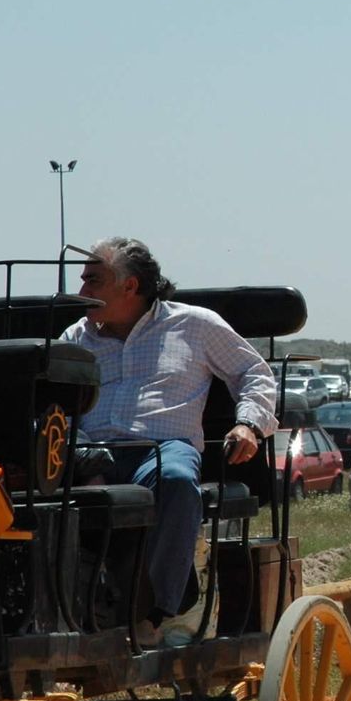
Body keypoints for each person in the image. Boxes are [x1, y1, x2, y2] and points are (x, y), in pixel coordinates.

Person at [59, 237, 277, 643]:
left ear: (130, 286)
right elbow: (55, 406)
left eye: (93, 280)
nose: (82, 292)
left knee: (175, 479)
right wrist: (79, 448)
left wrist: (248, 423)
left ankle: (161, 610)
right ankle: (68, 608)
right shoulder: (75, 337)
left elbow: (253, 372)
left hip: (163, 449)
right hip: (92, 451)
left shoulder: (195, 325)